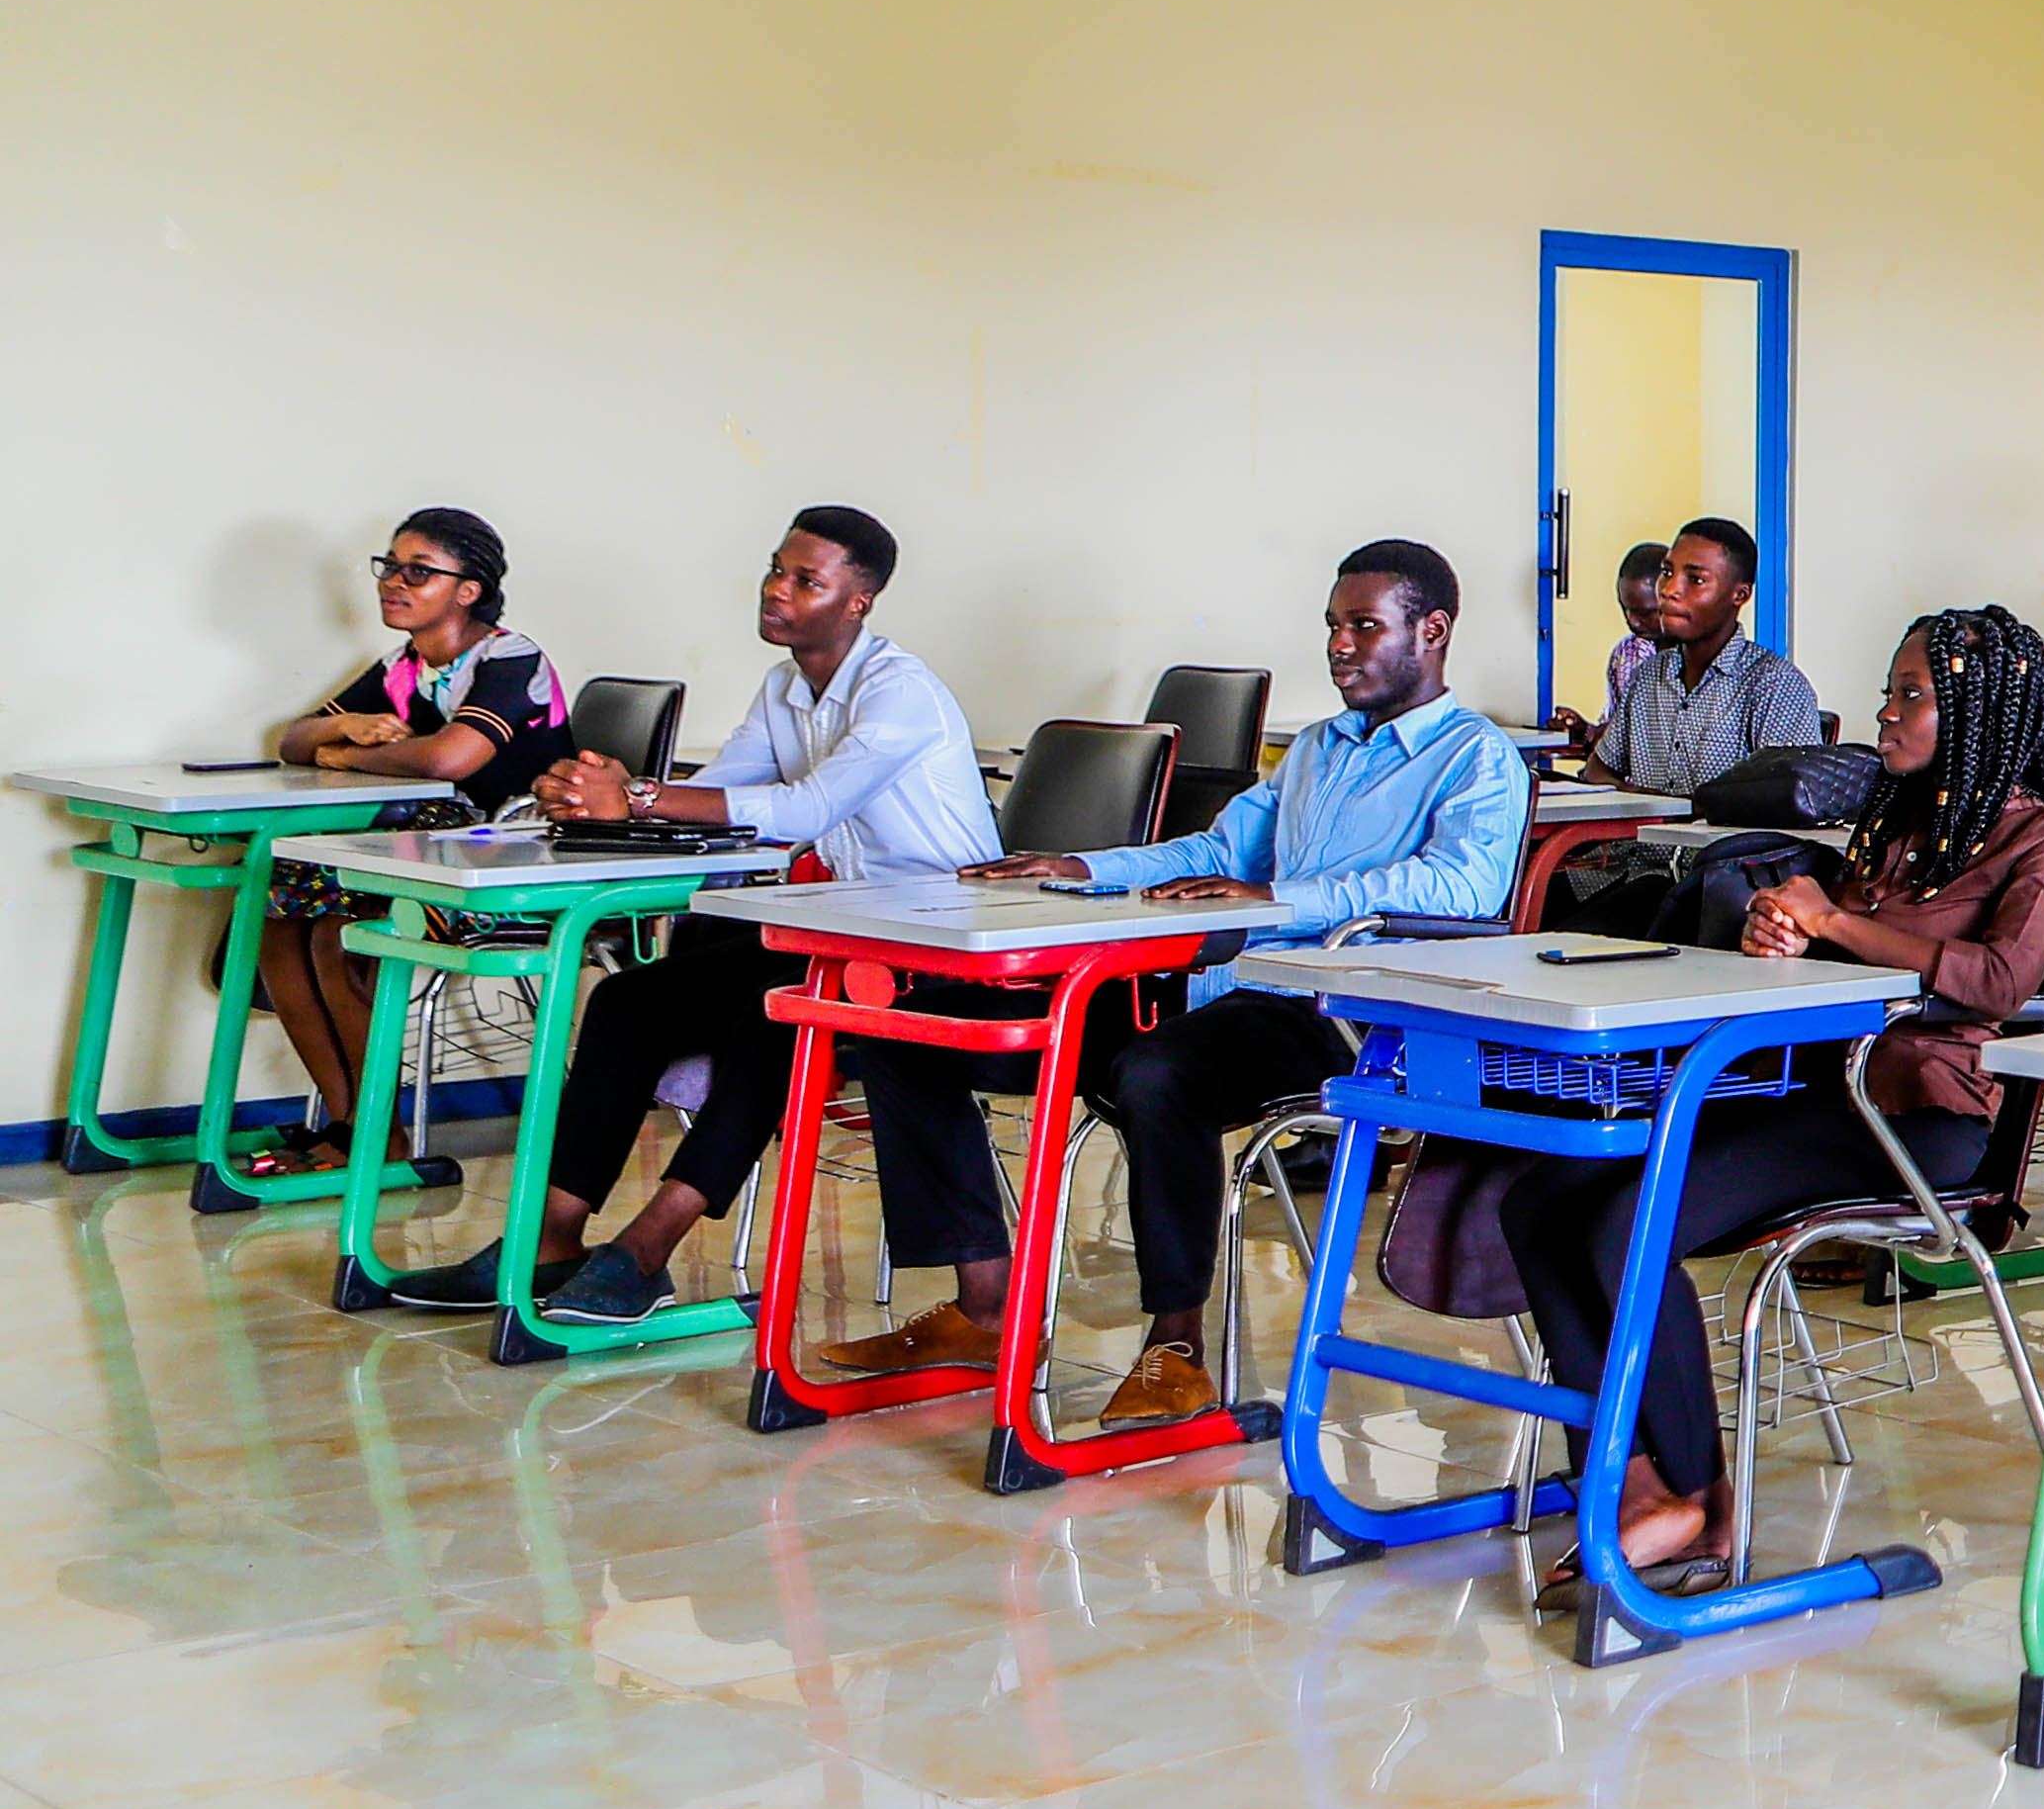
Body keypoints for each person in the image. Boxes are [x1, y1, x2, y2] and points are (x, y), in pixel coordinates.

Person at [823, 542, 1530, 1427]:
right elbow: (1214, 854)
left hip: (1350, 1015)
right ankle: (983, 1304)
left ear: (1433, 632)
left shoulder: (1478, 758)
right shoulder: (1317, 747)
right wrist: (1081, 866)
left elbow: (1461, 889)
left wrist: (1282, 897)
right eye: (1333, 628)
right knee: (912, 1029)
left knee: (1162, 1075)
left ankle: (1177, 1347)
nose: (1341, 647)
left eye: (1365, 627)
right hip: (1230, 997)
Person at [1500, 604, 2044, 1598]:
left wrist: (1835, 927)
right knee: (1536, 1201)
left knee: (1624, 1225)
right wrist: (1787, 933)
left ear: (1977, 711)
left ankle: (1697, 1502)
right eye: (1888, 693)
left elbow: (1997, 981)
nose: (1887, 715)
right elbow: (1837, 937)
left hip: (1917, 1120)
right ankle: (1631, 1477)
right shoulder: (1905, 823)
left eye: (1913, 696)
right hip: (1816, 1084)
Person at [420, 507, 991, 1325]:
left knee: (775, 1020)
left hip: (935, 939)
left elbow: (804, 809)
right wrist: (602, 801)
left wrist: (640, 797)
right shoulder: (786, 686)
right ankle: (548, 1242)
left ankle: (646, 1252)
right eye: (775, 569)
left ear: (858, 602)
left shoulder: (899, 692)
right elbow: (725, 796)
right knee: (628, 999)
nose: (776, 590)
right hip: (842, 927)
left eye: (806, 580)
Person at [242, 507, 572, 1176]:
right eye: (390, 566)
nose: (393, 581)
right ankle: (348, 1125)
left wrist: (345, 757)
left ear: (468, 590)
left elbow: (451, 759)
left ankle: (376, 1134)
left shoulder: (510, 658)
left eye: (418, 571)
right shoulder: (404, 666)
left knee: (337, 936)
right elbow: (294, 738)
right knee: (281, 920)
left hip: (513, 868)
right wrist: (356, 725)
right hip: (433, 857)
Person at [1584, 517, 1855, 813]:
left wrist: (1685, 811)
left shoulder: (1774, 685)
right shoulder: (1647, 676)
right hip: (1634, 854)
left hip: (1722, 857)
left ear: (1740, 595)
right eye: (1667, 572)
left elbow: (1789, 804)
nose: (1669, 590)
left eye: (1696, 579)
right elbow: (1597, 770)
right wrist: (1646, 801)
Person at [1559, 540, 1665, 741]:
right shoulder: (1625, 653)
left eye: (1644, 613)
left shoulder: (1699, 659)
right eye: (1625, 608)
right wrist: (1585, 731)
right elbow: (1613, 732)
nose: (1631, 621)